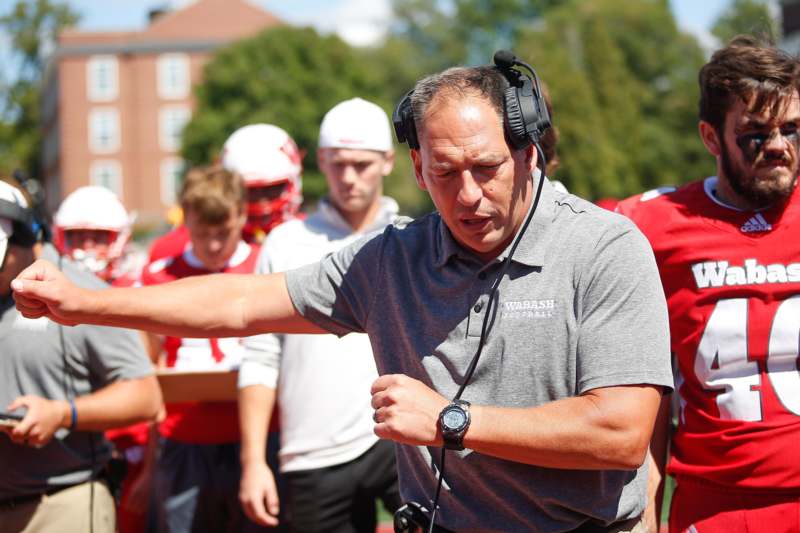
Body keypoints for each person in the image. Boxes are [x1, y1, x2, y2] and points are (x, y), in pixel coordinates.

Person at [12, 57, 673, 532]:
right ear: (416, 167)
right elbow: (241, 303)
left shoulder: (605, 248)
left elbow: (618, 432)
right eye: (444, 173)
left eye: (487, 168)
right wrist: (87, 302)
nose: (469, 195)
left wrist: (451, 420)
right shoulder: (393, 258)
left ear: (529, 151)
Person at [617, 35, 800, 532]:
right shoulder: (650, 224)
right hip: (720, 506)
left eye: (793, 129)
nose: (780, 146)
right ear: (711, 137)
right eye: (756, 132)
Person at [237, 97, 402, 532]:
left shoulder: (411, 237)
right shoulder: (286, 242)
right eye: (336, 163)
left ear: (387, 161)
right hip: (312, 450)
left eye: (361, 164)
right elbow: (259, 355)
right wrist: (254, 461)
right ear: (321, 162)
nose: (348, 177)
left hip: (403, 438)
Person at [0, 178, 162, 533]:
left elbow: (146, 396)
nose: (88, 245)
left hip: (59, 505)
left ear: (24, 239)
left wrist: (62, 414)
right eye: (77, 235)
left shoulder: (80, 291)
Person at [140, 166, 274, 533]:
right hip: (185, 438)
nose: (214, 246)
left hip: (258, 434)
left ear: (242, 216)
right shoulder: (159, 274)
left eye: (224, 233)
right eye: (202, 234)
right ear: (186, 222)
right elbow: (148, 362)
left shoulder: (266, 266)